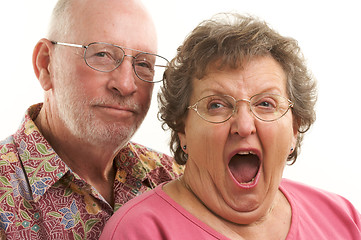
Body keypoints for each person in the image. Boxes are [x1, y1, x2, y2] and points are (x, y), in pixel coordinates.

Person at [99, 13, 361, 239]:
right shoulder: (142, 232)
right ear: (183, 129)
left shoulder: (344, 218)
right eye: (216, 105)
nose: (244, 126)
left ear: (294, 128)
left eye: (266, 104)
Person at [0, 0, 183, 239]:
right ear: (46, 65)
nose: (126, 85)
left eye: (143, 63)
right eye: (103, 55)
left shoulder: (174, 179)